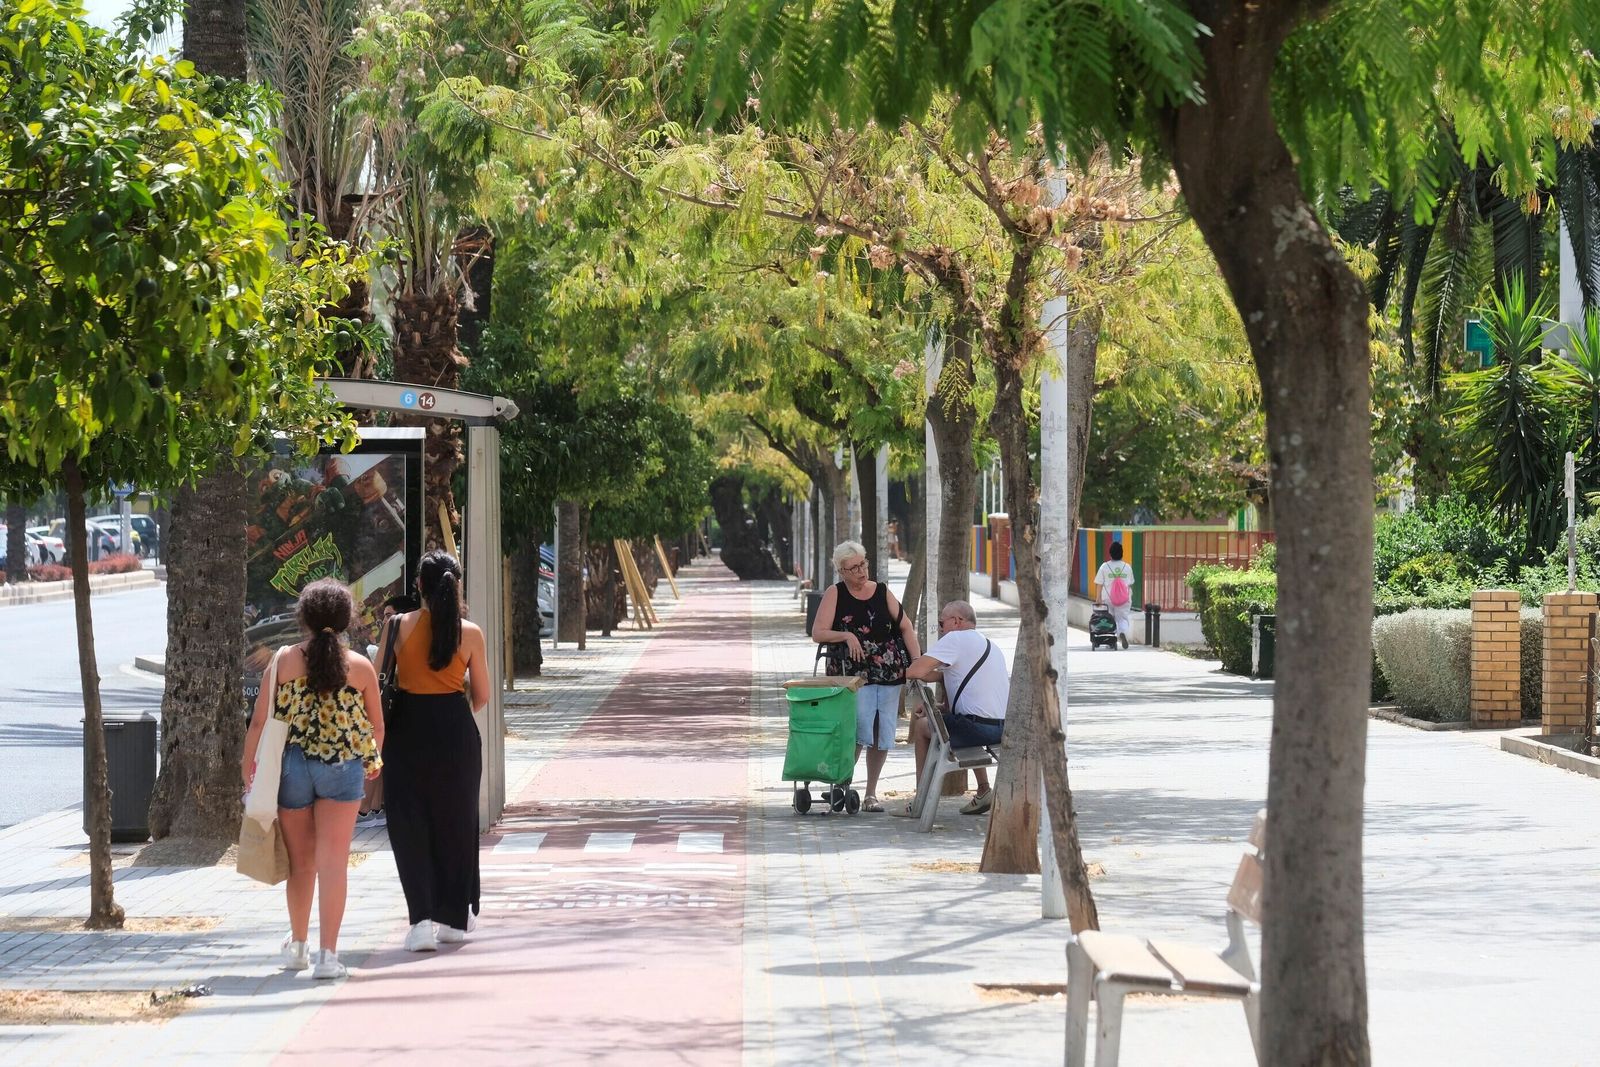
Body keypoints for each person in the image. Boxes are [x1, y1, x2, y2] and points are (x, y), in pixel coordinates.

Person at [241, 578, 384, 980]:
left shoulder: (283, 661)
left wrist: (248, 770)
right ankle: (328, 957)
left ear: (302, 617)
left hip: (293, 767)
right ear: (346, 619)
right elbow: (376, 726)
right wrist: (372, 760)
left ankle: (299, 947)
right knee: (333, 864)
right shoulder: (360, 666)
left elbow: (258, 723)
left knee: (300, 863)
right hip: (343, 766)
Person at [377, 550, 492, 953]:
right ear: (455, 585)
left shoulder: (396, 626)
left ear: (419, 586)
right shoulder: (470, 633)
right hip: (456, 732)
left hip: (407, 731)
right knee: (457, 823)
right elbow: (482, 696)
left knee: (409, 824)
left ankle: (421, 922)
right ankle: (455, 920)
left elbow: (378, 685)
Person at [810, 540, 921, 812]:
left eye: (863, 564)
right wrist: (847, 636)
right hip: (853, 674)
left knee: (881, 732)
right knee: (858, 729)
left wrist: (917, 663)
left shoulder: (881, 591)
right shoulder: (835, 593)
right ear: (842, 571)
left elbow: (906, 626)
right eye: (854, 568)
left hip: (889, 671)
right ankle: (841, 783)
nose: (861, 571)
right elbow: (818, 632)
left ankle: (871, 793)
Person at [905, 601, 1009, 814]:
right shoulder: (989, 645)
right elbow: (966, 695)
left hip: (978, 729)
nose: (941, 629)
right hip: (1002, 728)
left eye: (941, 623)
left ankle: (919, 802)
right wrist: (940, 692)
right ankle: (983, 789)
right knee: (960, 721)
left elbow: (914, 671)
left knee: (923, 726)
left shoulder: (955, 639)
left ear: (957, 621)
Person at [1093, 541, 1137, 649]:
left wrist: (1098, 598)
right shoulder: (1127, 567)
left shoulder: (1104, 566)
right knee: (1123, 618)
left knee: (1110, 619)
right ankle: (1122, 632)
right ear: (1122, 553)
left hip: (1108, 599)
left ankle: (1111, 640)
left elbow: (1099, 583)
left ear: (1110, 553)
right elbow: (1130, 583)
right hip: (1124, 599)